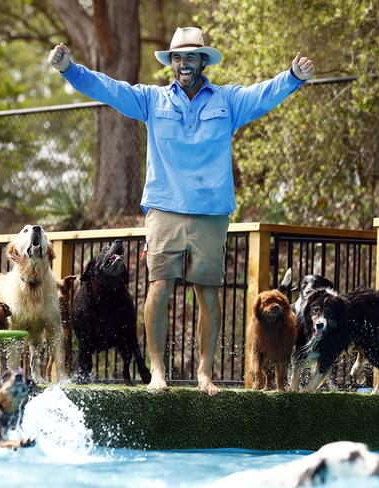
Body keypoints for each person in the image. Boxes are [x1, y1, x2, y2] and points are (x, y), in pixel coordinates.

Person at [48, 27, 314, 396]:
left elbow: (261, 95)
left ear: (203, 60)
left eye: (190, 57)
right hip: (164, 208)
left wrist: (293, 78)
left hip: (210, 212)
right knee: (159, 286)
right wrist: (70, 70)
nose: (183, 63)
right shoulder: (152, 101)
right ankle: (157, 371)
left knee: (207, 291)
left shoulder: (227, 101)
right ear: (171, 63)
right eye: (176, 57)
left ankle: (205, 373)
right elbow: (110, 89)